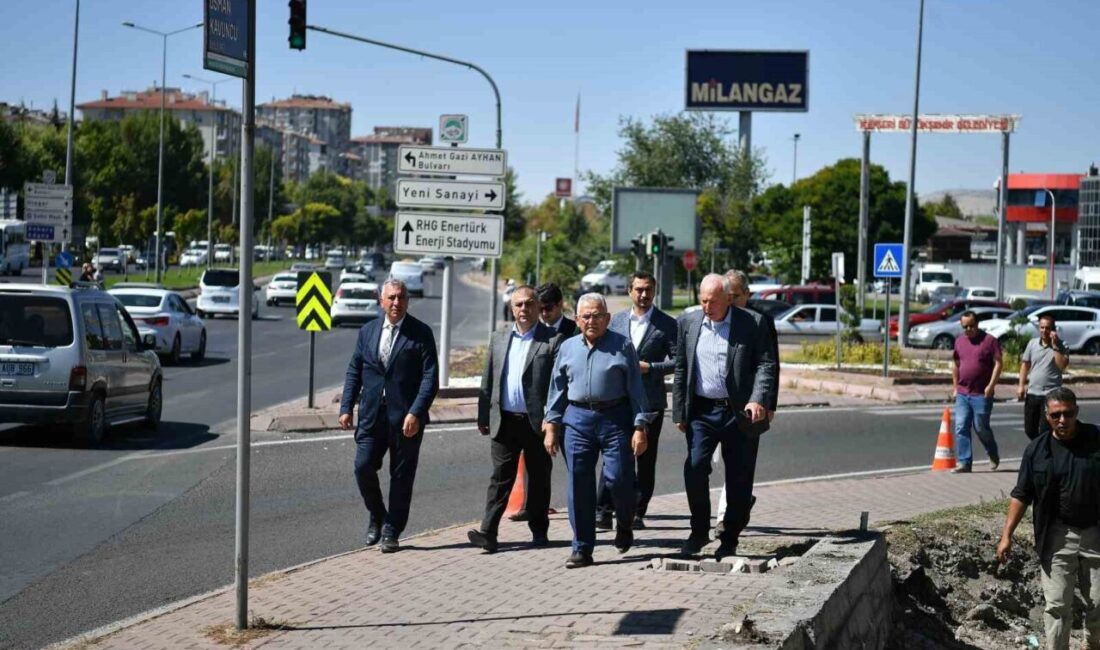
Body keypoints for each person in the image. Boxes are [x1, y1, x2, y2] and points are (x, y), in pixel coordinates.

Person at [673, 273, 777, 560]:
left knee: (739, 478)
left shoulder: (752, 323)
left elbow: (766, 364)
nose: (707, 307)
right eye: (703, 301)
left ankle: (729, 538)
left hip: (739, 412)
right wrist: (680, 411)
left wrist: (759, 398)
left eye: (714, 302)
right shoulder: (688, 323)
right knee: (695, 467)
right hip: (702, 411)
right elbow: (682, 368)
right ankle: (698, 532)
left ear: (728, 299)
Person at [543, 293, 651, 568]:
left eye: (598, 316)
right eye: (586, 316)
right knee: (579, 484)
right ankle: (581, 548)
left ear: (608, 318)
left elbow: (636, 389)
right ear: (577, 319)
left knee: (619, 479)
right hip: (577, 420)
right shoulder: (567, 348)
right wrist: (552, 426)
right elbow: (557, 389)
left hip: (615, 419)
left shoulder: (622, 346)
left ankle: (624, 523)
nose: (592, 321)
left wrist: (640, 426)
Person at [339, 278, 439, 554]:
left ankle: (392, 531)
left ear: (407, 301)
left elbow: (430, 378)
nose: (396, 302)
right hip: (372, 416)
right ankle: (378, 514)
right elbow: (355, 370)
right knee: (362, 466)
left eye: (401, 297)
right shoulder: (368, 331)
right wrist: (346, 406)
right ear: (381, 301)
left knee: (401, 477)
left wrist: (416, 412)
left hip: (406, 419)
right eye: (391, 297)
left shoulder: (421, 333)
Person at [998, 387, 1100, 650]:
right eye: (1056, 415)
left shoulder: (1096, 439)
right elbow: (1022, 494)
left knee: (1098, 601)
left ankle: (1092, 643)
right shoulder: (1037, 451)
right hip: (1057, 535)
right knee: (1057, 605)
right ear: (1047, 416)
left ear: (1076, 412)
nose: (1062, 420)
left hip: (1095, 533)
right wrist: (1007, 535)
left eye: (1068, 413)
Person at [468, 285, 563, 553]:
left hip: (536, 423)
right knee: (500, 477)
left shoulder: (552, 340)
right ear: (512, 309)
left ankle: (539, 531)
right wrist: (483, 414)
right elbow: (488, 379)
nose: (524, 309)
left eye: (529, 304)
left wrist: (552, 422)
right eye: (519, 304)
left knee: (539, 478)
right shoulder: (499, 338)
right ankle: (488, 532)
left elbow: (557, 386)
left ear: (538, 307)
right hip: (504, 420)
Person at [595, 271, 677, 531]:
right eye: (639, 289)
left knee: (645, 459)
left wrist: (650, 368)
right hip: (618, 401)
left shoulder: (667, 324)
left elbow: (679, 361)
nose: (643, 294)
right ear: (630, 291)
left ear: (654, 291)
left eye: (648, 289)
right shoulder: (617, 321)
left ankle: (637, 512)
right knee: (613, 455)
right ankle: (603, 510)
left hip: (650, 402)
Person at [714, 269, 780, 534]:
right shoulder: (716, 317)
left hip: (750, 405)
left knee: (739, 462)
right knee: (716, 461)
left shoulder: (759, 321)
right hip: (716, 406)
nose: (729, 301)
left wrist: (769, 403)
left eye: (734, 296)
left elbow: (771, 364)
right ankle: (741, 500)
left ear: (747, 294)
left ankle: (725, 517)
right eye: (726, 296)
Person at [951, 310, 1003, 473]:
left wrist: (991, 386)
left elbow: (998, 363)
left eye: (971, 326)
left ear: (977, 324)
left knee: (981, 427)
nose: (968, 329)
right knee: (961, 426)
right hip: (963, 392)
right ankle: (964, 462)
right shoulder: (959, 341)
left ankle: (992, 452)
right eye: (965, 327)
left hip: (982, 394)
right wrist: (955, 387)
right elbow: (956, 364)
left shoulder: (989, 341)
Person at [1018, 314, 1070, 440]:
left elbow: (1062, 365)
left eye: (1047, 328)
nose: (1044, 330)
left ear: (1053, 329)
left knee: (1045, 430)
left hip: (1051, 395)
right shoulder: (1032, 344)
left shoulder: (1062, 345)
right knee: (1029, 429)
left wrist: (1055, 346)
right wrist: (1021, 386)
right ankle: (1042, 447)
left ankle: (1044, 449)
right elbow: (1025, 365)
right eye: (1042, 327)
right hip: (1032, 393)